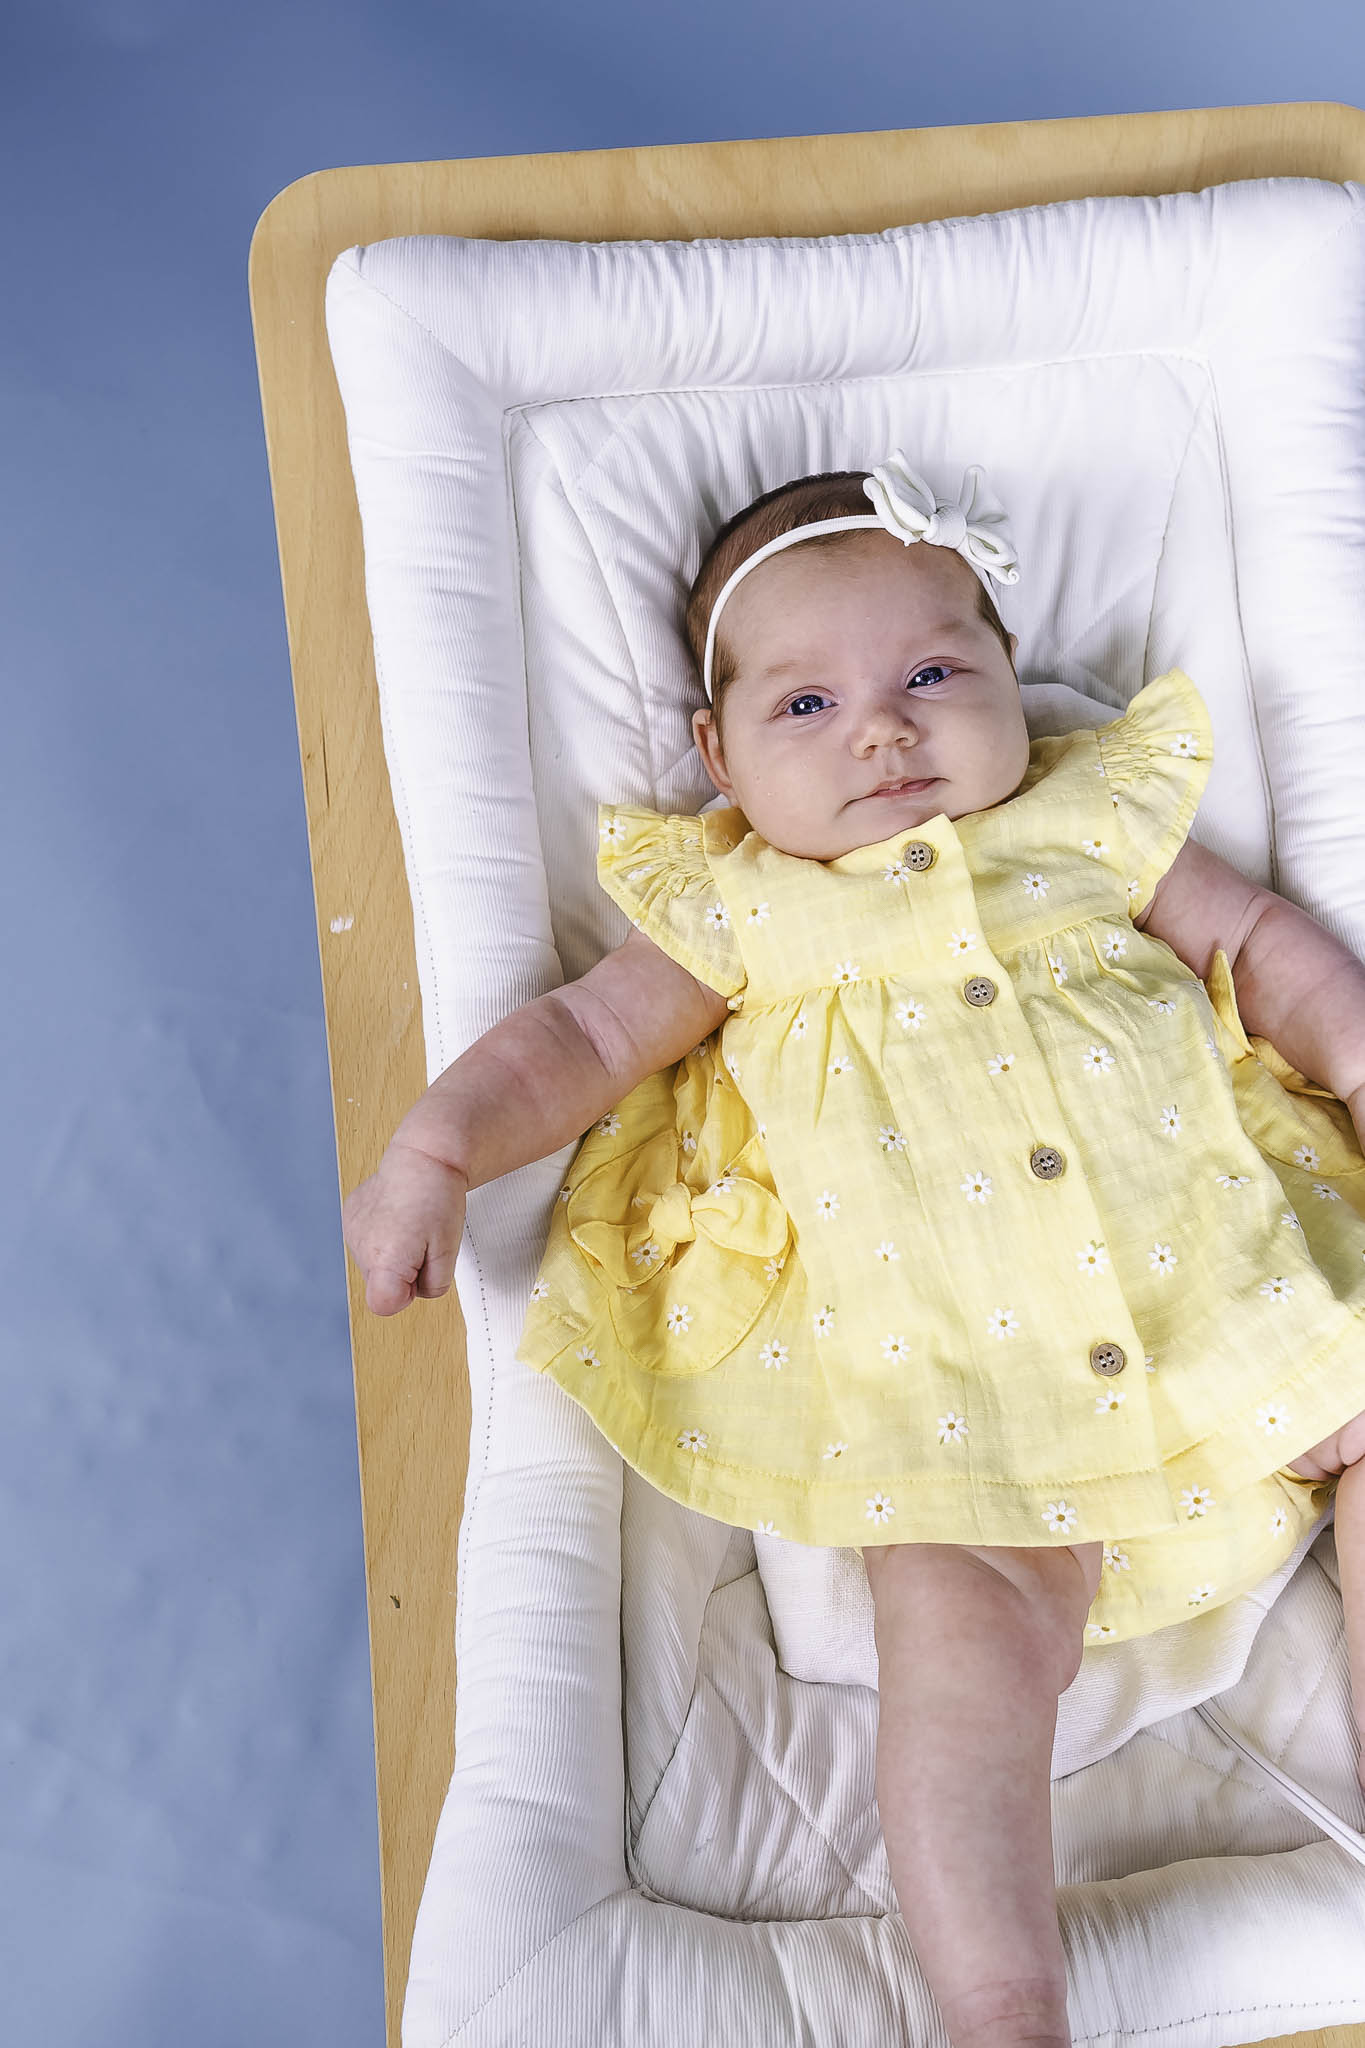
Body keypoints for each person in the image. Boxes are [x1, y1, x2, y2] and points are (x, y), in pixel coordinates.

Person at [342, 453, 1365, 2048]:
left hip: (1234, 1299)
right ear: (718, 753)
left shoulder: (1093, 814)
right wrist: (436, 1148)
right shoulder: (735, 907)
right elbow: (578, 1040)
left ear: (1009, 677)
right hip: (966, 1391)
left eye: (931, 677)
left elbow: (1258, 944)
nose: (881, 730)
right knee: (958, 1651)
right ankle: (1002, 2008)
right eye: (805, 706)